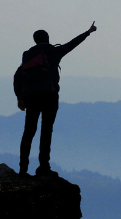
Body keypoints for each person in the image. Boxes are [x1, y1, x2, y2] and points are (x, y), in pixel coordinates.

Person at [15, 22, 97, 177]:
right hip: (49, 96)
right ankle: (43, 166)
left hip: (30, 98)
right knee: (46, 131)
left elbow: (17, 76)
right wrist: (88, 32)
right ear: (47, 38)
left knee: (28, 132)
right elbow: (72, 44)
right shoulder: (53, 52)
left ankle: (23, 169)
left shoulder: (28, 55)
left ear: (35, 40)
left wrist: (20, 97)